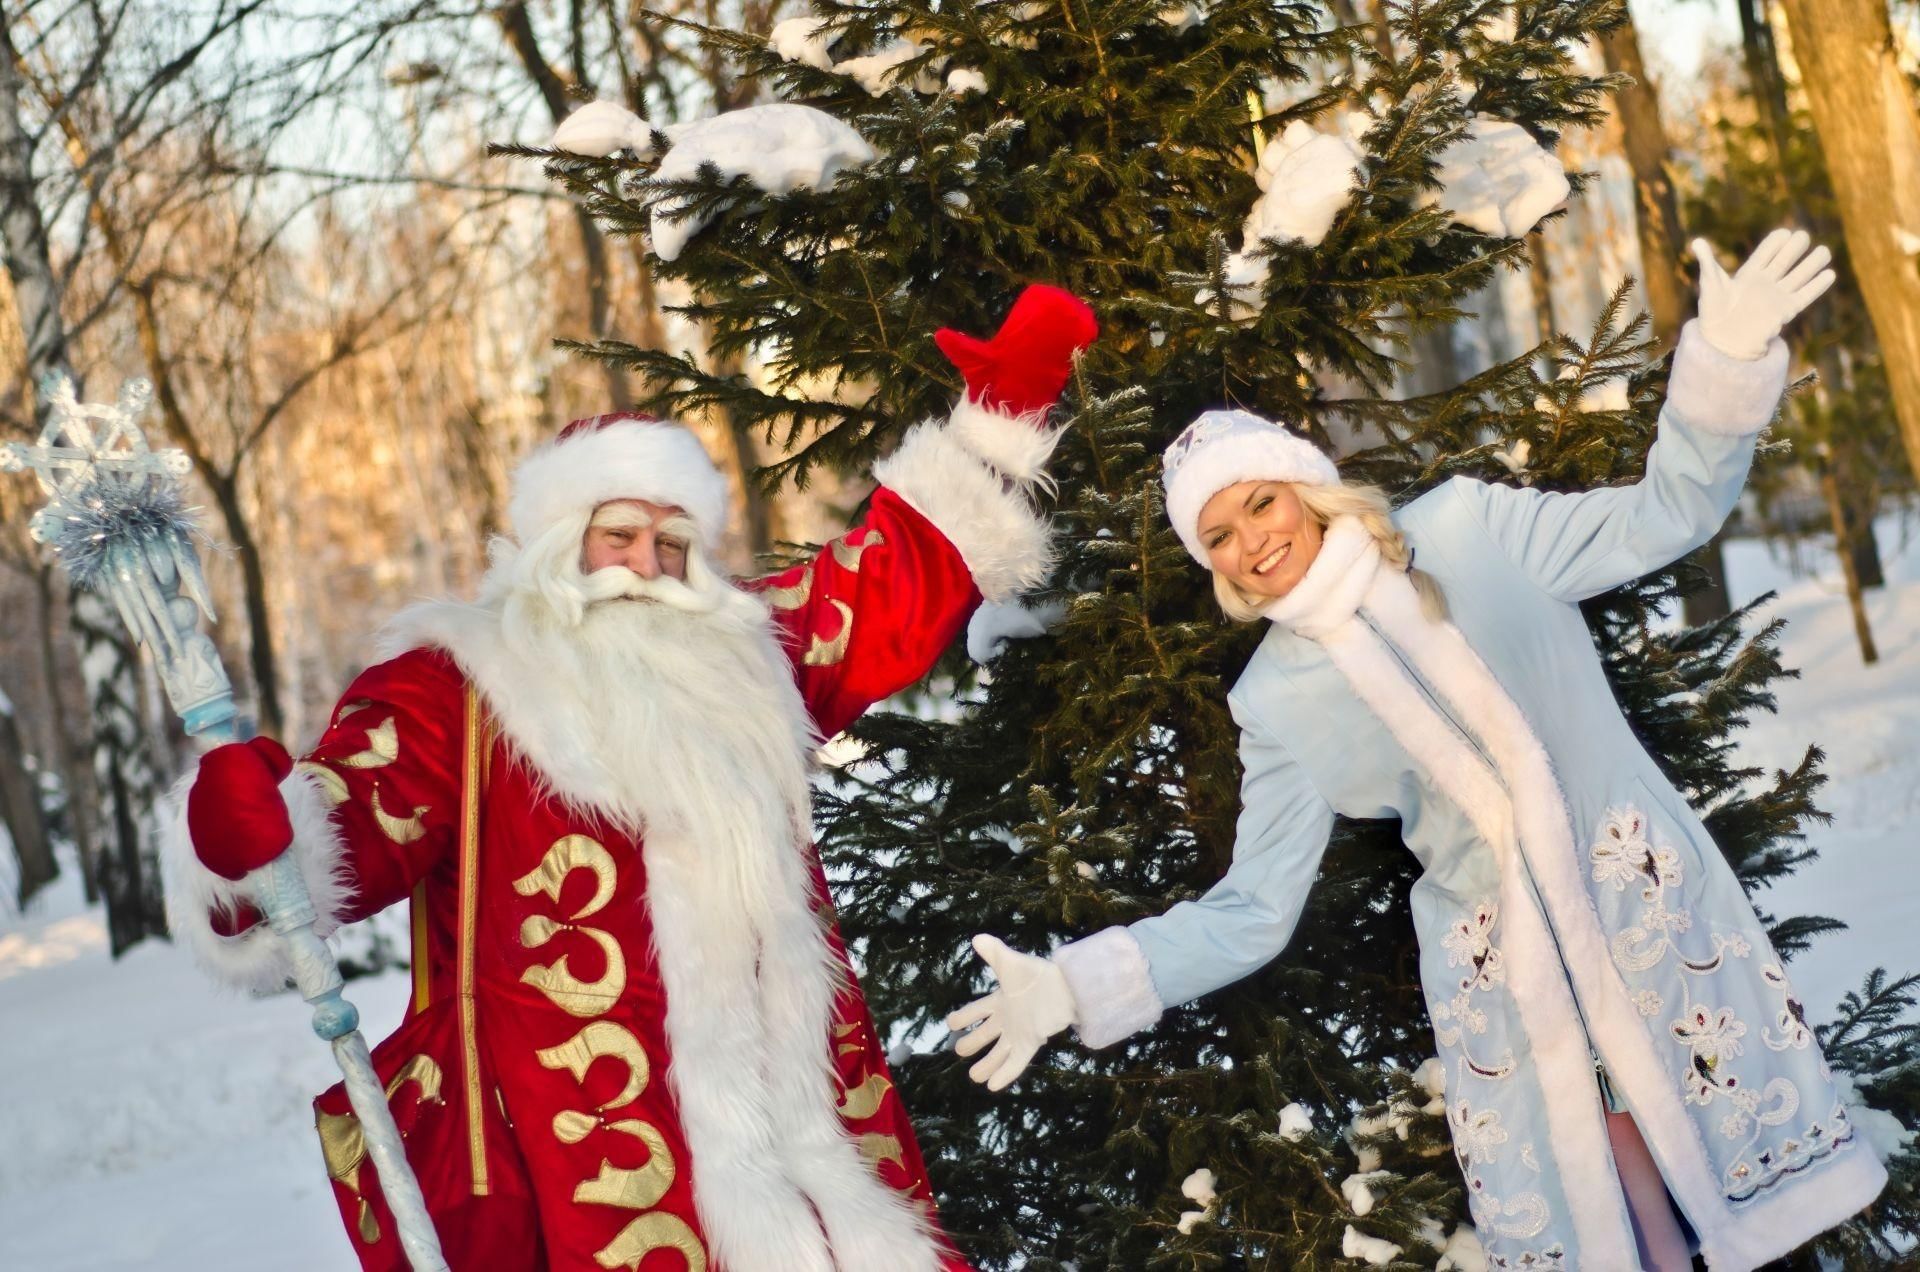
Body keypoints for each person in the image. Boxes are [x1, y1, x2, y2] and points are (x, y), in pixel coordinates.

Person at [946, 232, 1887, 1271]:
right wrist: (1080, 984)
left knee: (1737, 1180)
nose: (1252, 540)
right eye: (1218, 533)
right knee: (1619, 1216)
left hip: (1644, 913)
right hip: (1507, 984)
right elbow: (1253, 910)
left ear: (1304, 487)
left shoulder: (1473, 532)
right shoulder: (1274, 698)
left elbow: (1667, 518)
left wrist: (1723, 363)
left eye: (1260, 500)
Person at [161, 285, 1098, 1272]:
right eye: (619, 537)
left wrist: (998, 417)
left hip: (804, 1138)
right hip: (593, 1154)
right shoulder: (457, 685)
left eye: (672, 542)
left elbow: (889, 587)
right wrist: (256, 837)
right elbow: (348, 830)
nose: (647, 565)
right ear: (560, 544)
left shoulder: (748, 652)